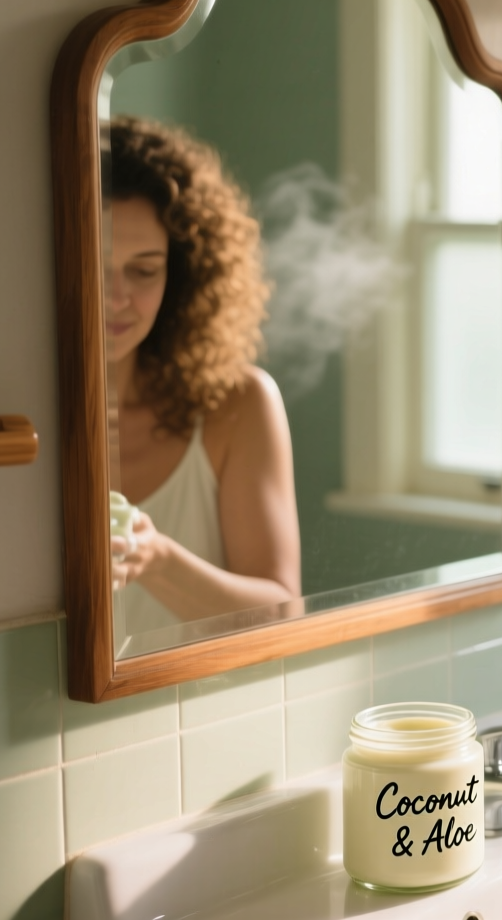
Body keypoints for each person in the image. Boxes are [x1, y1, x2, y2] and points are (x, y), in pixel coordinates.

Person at [107, 115, 301, 640]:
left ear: (182, 274)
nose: (116, 297)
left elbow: (282, 614)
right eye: (95, 266)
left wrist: (155, 558)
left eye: (143, 270)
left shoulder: (237, 406)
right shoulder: (13, 429)